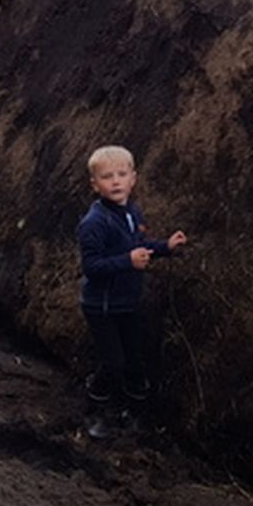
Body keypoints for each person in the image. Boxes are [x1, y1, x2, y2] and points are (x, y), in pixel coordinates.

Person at [77, 144, 186, 436]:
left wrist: (166, 247)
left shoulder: (132, 213)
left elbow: (139, 247)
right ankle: (97, 410)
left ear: (133, 178)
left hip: (127, 301)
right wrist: (127, 261)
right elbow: (92, 267)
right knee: (113, 362)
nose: (115, 181)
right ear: (94, 184)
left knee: (135, 359)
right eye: (107, 176)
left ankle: (135, 413)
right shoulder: (94, 223)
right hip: (101, 305)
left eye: (121, 174)